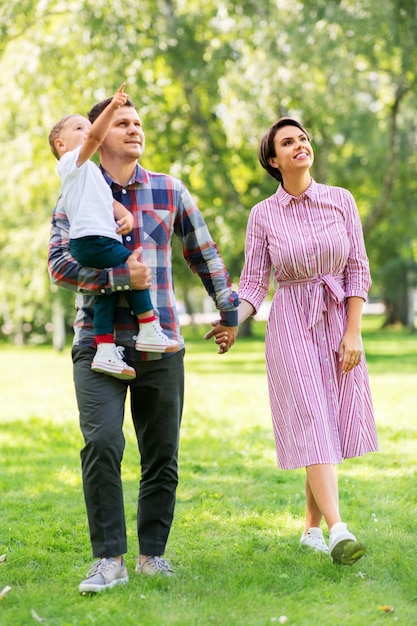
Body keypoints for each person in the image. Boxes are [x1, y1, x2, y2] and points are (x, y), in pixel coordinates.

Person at [48, 90, 239, 593]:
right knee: (102, 443)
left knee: (162, 454)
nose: (134, 129)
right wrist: (118, 279)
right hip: (98, 343)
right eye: (122, 122)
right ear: (98, 134)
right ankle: (108, 560)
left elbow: (204, 253)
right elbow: (59, 265)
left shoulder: (170, 190)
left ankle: (153, 555)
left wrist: (230, 310)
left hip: (161, 345)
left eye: (137, 122)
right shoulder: (77, 186)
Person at [206, 117, 378, 565]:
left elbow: (357, 269)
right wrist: (233, 320)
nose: (299, 144)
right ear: (272, 160)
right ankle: (338, 529)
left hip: (337, 318)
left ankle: (310, 529)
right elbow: (254, 286)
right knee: (311, 420)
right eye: (288, 142)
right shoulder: (263, 214)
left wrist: (353, 330)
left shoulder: (341, 201)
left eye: (302, 138)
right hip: (290, 326)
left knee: (326, 422)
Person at [48, 84, 178, 382]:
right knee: (134, 268)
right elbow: (95, 137)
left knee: (109, 288)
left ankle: (104, 349)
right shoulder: (72, 164)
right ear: (60, 144)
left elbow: (110, 202)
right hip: (92, 241)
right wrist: (114, 104)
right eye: (79, 127)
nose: (88, 131)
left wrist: (126, 216)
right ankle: (148, 326)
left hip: (96, 241)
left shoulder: (89, 174)